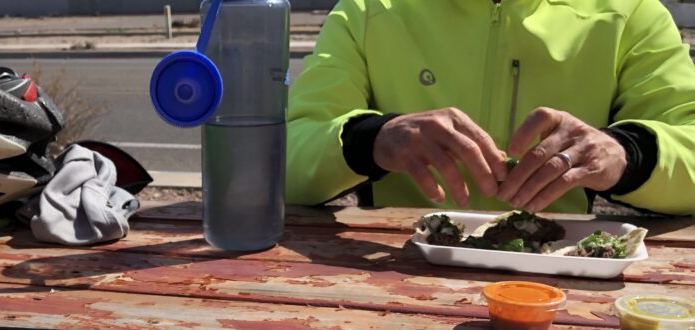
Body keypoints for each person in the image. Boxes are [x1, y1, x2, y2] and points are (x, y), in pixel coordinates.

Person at [286, 0, 695, 215]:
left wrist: (625, 154)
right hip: (396, 270)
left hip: (566, 275)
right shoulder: (368, 9)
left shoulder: (631, 12)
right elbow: (284, 161)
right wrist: (372, 139)